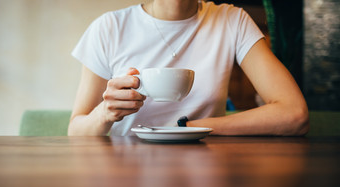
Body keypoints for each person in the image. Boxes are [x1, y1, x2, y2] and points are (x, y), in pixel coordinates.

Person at [68, 0, 309, 136]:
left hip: (205, 169)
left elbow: (294, 114)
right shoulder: (109, 27)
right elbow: (76, 132)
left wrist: (188, 127)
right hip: (122, 172)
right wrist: (105, 113)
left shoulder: (232, 20)